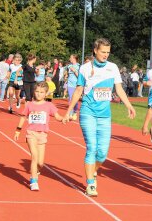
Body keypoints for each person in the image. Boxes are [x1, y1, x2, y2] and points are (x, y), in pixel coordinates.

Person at [63, 38, 136, 197]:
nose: (106, 55)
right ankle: (90, 184)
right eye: (103, 52)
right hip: (88, 113)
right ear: (95, 51)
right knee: (92, 147)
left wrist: (129, 105)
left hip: (104, 115)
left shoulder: (113, 67)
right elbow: (78, 91)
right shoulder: (85, 68)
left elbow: (119, 89)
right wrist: (69, 110)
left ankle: (93, 171)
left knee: (102, 153)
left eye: (108, 52)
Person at [14, 81, 63, 191]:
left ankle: (36, 170)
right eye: (37, 91)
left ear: (46, 93)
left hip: (43, 135)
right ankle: (34, 180)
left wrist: (63, 119)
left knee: (40, 163)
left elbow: (57, 116)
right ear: (33, 92)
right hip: (31, 133)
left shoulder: (49, 105)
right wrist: (18, 130)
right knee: (34, 157)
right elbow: (23, 117)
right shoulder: (29, 104)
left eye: (41, 92)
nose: (39, 94)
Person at [66, 55, 80, 120]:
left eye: (70, 57)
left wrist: (75, 71)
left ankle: (74, 112)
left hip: (76, 85)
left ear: (74, 58)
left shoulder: (79, 66)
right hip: (70, 84)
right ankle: (70, 114)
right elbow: (67, 73)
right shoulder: (69, 66)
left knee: (76, 100)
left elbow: (79, 77)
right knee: (70, 99)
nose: (69, 59)